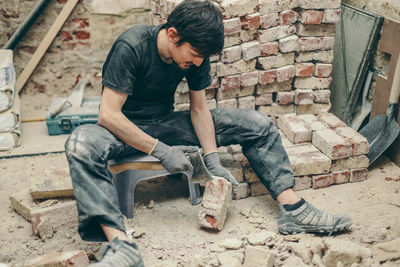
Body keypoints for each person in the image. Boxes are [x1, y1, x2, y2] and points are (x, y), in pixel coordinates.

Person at [64, 0, 352, 265]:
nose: (199, 62)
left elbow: (199, 108)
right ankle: (121, 245)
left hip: (165, 122)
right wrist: (161, 151)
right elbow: (108, 115)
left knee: (257, 124)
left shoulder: (194, 55)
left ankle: (292, 209)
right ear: (173, 34)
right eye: (196, 54)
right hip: (122, 128)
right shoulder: (132, 45)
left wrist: (212, 158)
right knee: (80, 143)